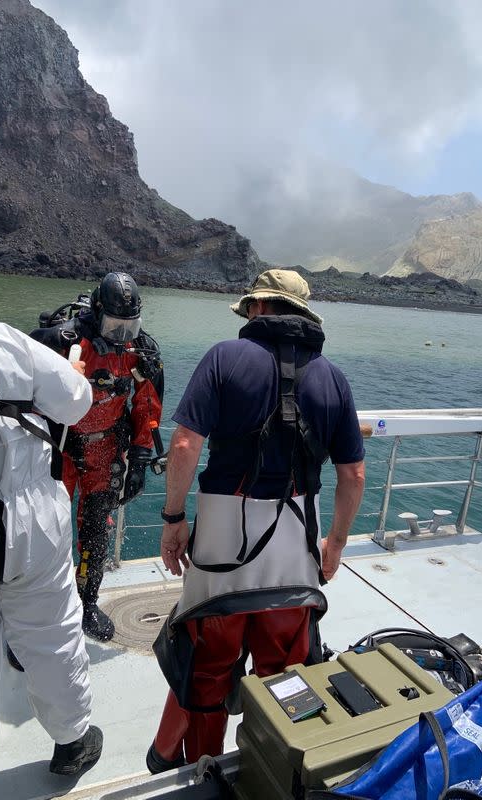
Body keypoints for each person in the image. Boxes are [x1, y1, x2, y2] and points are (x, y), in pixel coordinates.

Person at [147, 268, 365, 773]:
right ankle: (271, 767)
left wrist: (174, 518)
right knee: (284, 669)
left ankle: (203, 766)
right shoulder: (332, 377)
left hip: (222, 546)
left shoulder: (225, 357)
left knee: (208, 666)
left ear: (260, 308)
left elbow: (184, 445)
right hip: (295, 549)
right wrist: (335, 543)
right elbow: (352, 474)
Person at [0, 279, 103, 800]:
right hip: (34, 517)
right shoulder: (1, 338)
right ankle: (72, 743)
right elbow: (76, 405)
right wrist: (71, 372)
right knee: (53, 632)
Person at [30, 272, 164, 641]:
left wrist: (138, 460)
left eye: (129, 326)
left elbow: (146, 406)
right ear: (97, 313)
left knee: (94, 534)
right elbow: (26, 394)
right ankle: (38, 613)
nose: (122, 335)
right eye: (114, 326)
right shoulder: (65, 342)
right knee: (44, 532)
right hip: (59, 450)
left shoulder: (141, 351)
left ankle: (87, 602)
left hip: (105, 451)